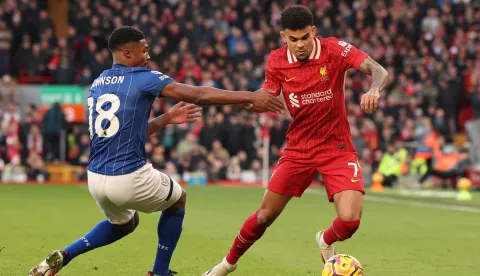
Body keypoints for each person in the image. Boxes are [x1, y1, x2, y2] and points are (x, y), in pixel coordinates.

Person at [28, 26, 284, 276]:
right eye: (144, 50)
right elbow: (199, 94)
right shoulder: (144, 77)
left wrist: (167, 118)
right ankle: (160, 272)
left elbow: (124, 131)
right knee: (178, 199)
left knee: (125, 223)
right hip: (128, 176)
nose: (148, 55)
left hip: (95, 178)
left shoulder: (98, 83)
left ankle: (64, 255)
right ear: (128, 53)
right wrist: (250, 97)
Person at [203, 5, 388, 275]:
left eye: (305, 38)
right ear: (283, 36)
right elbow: (265, 98)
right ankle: (226, 264)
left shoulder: (335, 49)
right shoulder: (276, 61)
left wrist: (374, 89)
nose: (300, 45)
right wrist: (244, 103)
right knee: (265, 215)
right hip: (298, 149)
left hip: (337, 148)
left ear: (313, 32)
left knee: (349, 221)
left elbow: (378, 70)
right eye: (293, 39)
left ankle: (325, 239)